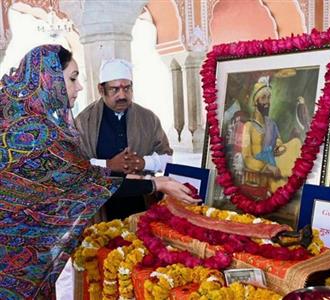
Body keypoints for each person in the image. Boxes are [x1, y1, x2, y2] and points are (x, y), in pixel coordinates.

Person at [0, 45, 199, 299]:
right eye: (72, 78)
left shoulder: (20, 120)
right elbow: (87, 179)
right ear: (47, 79)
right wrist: (157, 183)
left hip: (29, 261)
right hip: (14, 265)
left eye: (127, 87)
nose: (79, 86)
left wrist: (150, 171)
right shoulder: (40, 134)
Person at [75, 58, 172, 176]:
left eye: (126, 88)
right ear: (101, 89)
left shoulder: (149, 119)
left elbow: (168, 160)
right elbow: (74, 165)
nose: (122, 95)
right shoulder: (84, 121)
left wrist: (144, 163)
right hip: (102, 193)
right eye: (114, 89)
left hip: (141, 192)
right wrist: (108, 164)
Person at [241, 76, 301, 193]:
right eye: (263, 98)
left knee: (296, 143)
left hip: (274, 156)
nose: (267, 102)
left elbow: (278, 139)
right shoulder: (248, 126)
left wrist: (279, 146)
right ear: (255, 101)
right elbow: (247, 157)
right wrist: (266, 167)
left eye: (269, 98)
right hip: (261, 166)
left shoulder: (271, 123)